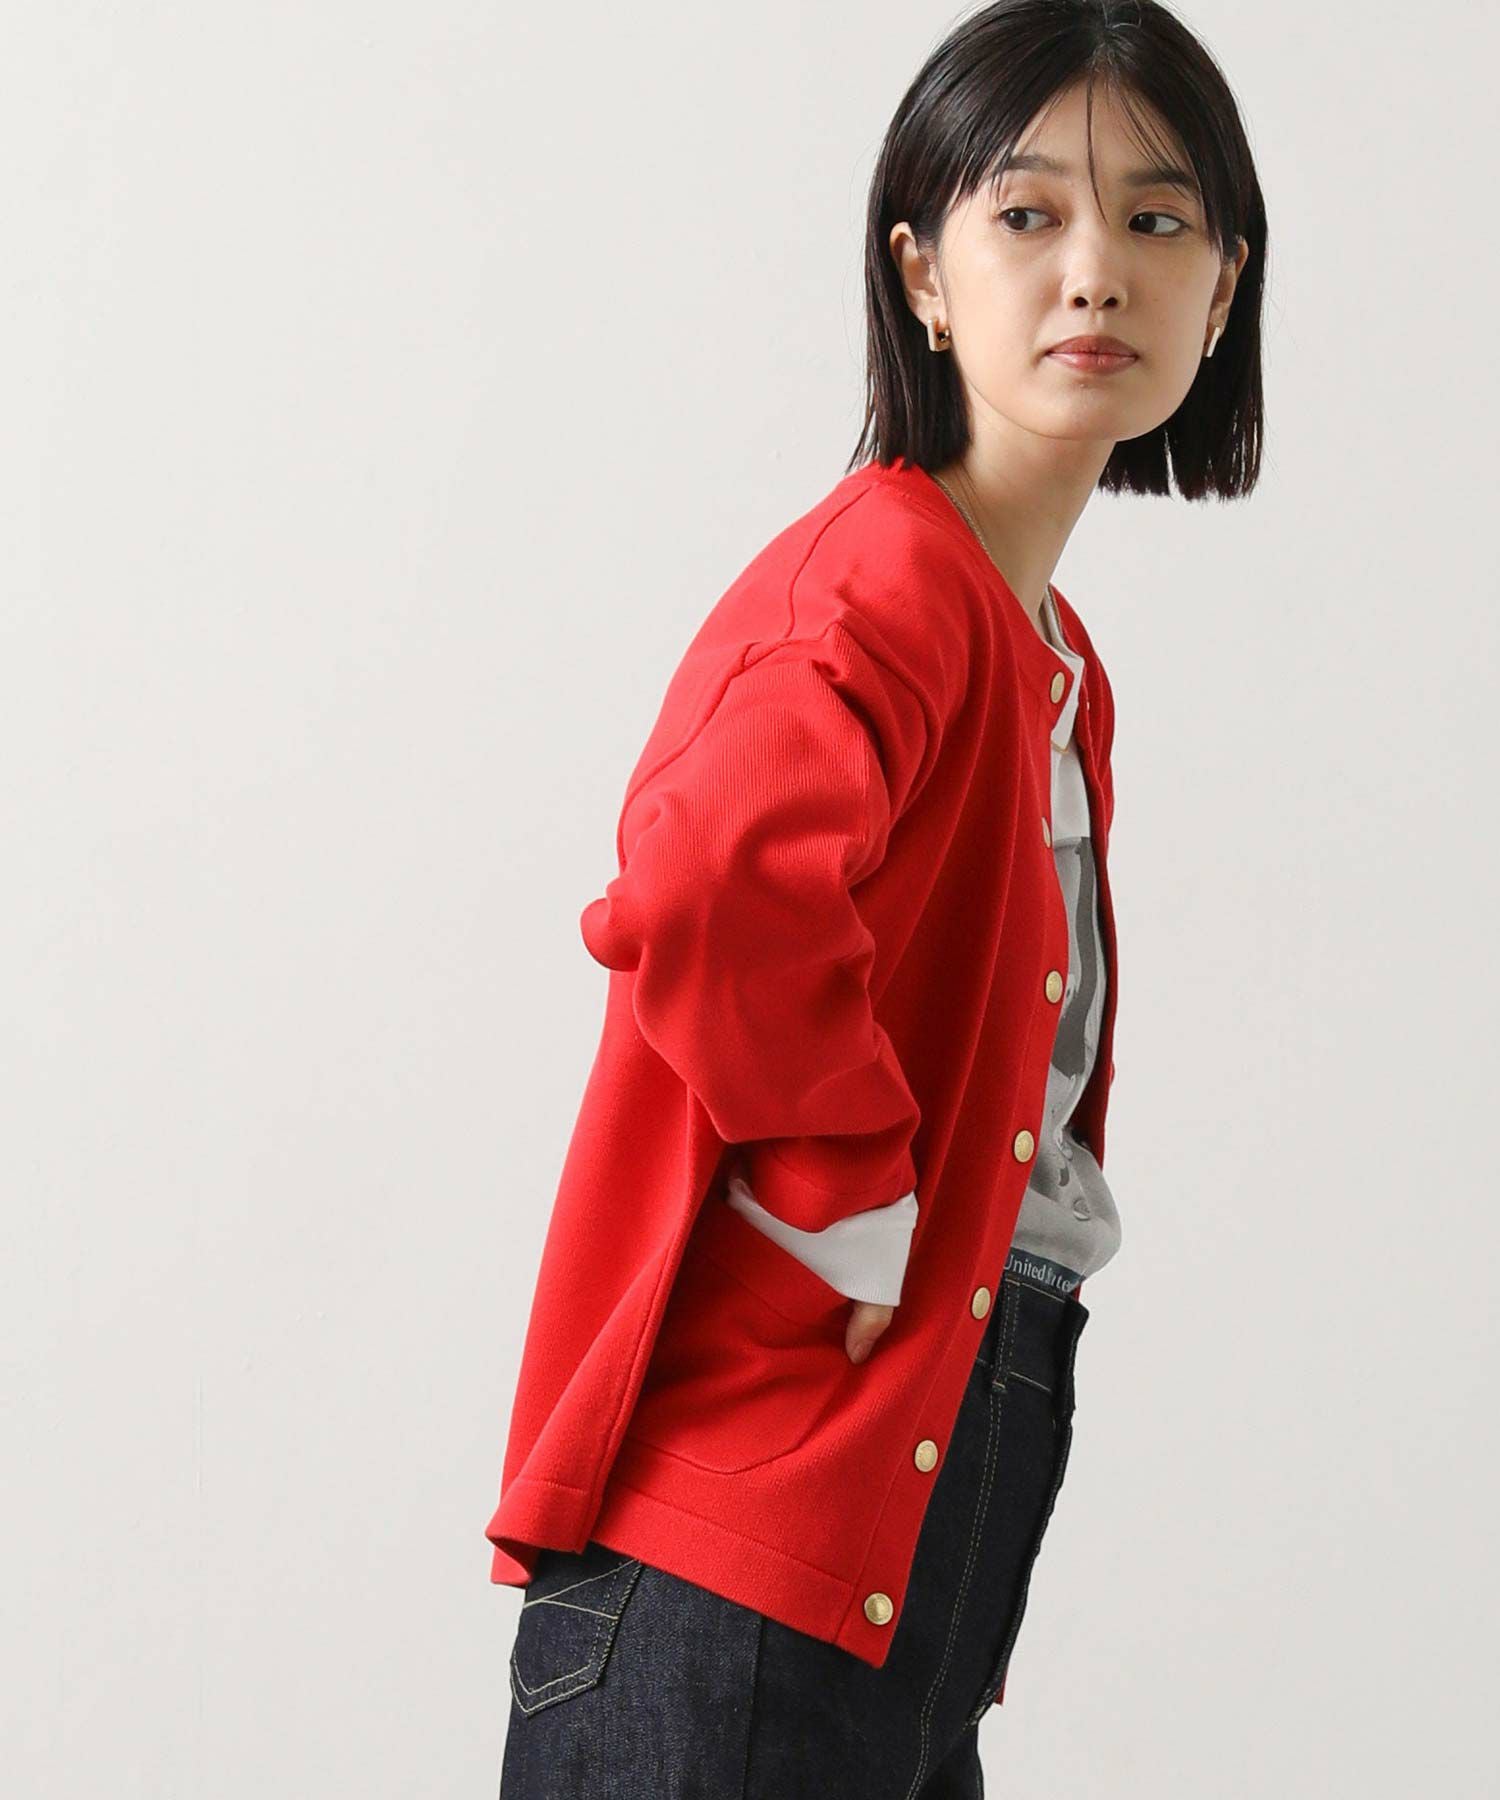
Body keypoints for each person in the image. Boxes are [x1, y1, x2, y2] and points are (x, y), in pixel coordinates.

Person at [489, 2, 1265, 1793]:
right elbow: (707, 882)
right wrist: (851, 1190)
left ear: (1224, 291)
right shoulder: (882, 586)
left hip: (890, 1570)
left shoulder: (1049, 654)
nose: (1096, 271)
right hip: (739, 1567)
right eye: (1028, 215)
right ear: (922, 273)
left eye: (1158, 221)